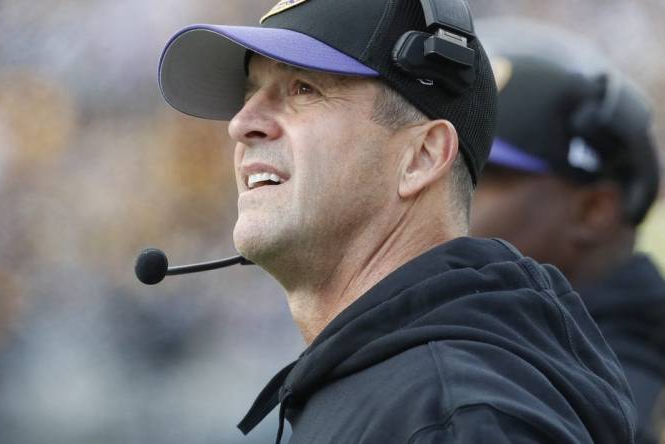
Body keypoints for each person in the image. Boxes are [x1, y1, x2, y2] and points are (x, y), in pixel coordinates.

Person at [155, 0, 635, 442]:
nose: (241, 123)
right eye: (251, 92)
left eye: (304, 88)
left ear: (422, 158)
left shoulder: (456, 416)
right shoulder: (403, 390)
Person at [470, 47, 665, 443]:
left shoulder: (624, 394)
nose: (455, 189)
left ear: (594, 210)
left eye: (487, 174)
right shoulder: (516, 332)